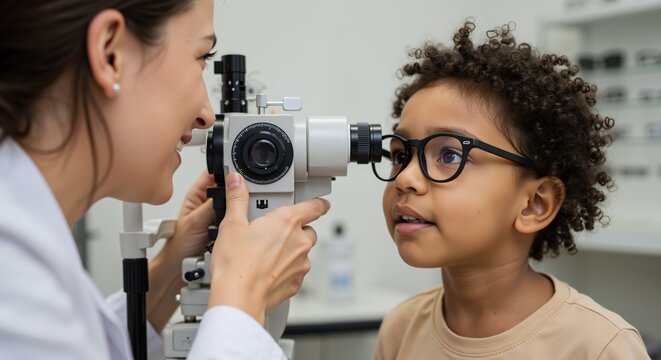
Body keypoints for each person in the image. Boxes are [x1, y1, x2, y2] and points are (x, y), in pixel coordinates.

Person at [0, 1, 329, 359]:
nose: (207, 115)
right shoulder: (15, 280)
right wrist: (244, 291)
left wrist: (174, 264)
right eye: (200, 56)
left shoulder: (25, 258)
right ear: (111, 54)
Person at [372, 21, 650, 359]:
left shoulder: (599, 346)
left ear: (535, 203)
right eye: (402, 155)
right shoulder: (400, 328)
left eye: (449, 155)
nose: (406, 178)